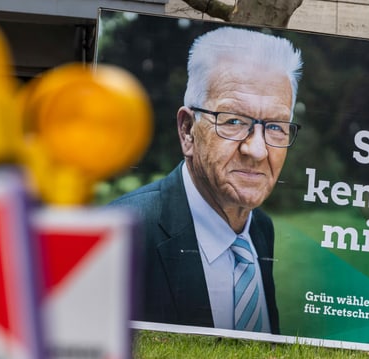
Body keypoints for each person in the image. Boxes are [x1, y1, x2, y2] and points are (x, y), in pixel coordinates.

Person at [110, 26, 302, 334]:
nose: (256, 149)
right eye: (234, 121)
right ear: (187, 130)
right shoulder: (121, 233)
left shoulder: (260, 228)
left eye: (276, 127)